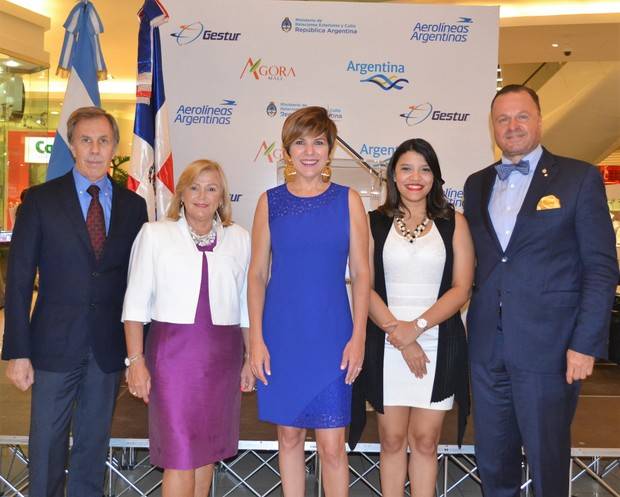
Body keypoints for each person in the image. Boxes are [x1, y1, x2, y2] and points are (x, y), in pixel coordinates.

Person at [463, 84, 618, 497]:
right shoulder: (476, 184)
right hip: (486, 348)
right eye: (502, 119)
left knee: (548, 466)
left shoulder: (579, 178)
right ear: (492, 126)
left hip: (551, 350)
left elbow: (601, 268)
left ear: (539, 120)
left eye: (521, 116)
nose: (512, 126)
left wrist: (585, 343)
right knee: (493, 464)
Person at [1, 106, 148, 497]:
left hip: (107, 349)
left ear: (116, 146)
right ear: (71, 145)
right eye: (86, 140)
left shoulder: (135, 208)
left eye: (103, 141)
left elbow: (140, 283)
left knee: (92, 448)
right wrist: (17, 351)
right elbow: (17, 281)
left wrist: (140, 354)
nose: (95, 150)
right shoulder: (39, 200)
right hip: (51, 348)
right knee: (46, 447)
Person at [248, 106, 370, 497]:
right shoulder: (270, 202)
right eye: (299, 142)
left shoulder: (348, 201)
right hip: (281, 336)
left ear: (331, 149)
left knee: (333, 446)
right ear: (286, 151)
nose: (309, 151)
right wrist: (255, 339)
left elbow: (364, 275)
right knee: (288, 436)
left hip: (333, 336)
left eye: (318, 142)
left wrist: (359, 337)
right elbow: (257, 274)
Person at [348, 138, 474, 497]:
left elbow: (461, 288)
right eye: (406, 168)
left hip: (438, 342)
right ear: (393, 175)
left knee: (425, 440)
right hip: (386, 341)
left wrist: (416, 329)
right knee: (390, 440)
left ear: (435, 176)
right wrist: (397, 333)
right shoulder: (373, 223)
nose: (415, 177)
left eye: (424, 169)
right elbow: (363, 284)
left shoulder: (454, 223)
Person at [122, 159, 254, 497]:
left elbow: (246, 308)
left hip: (222, 361)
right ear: (181, 193)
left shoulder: (239, 238)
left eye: (211, 188)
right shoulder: (155, 234)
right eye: (194, 187)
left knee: (206, 453)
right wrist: (135, 362)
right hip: (172, 360)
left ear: (222, 197)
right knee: (180, 456)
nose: (202, 196)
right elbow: (134, 305)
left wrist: (250, 357)